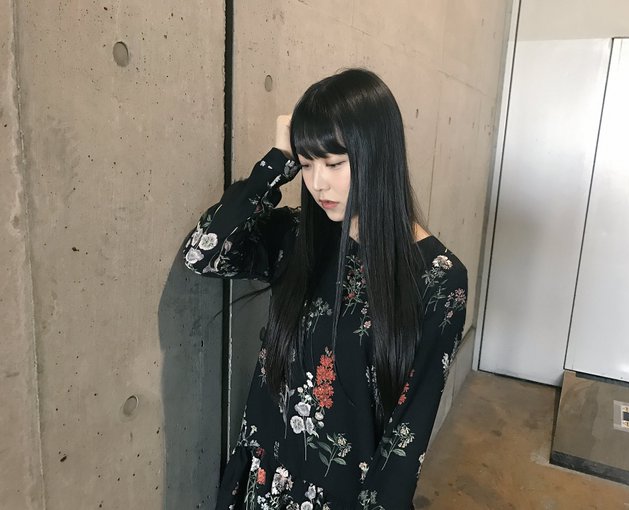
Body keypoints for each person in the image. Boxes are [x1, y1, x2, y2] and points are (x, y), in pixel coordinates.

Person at [182, 68, 467, 510]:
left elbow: (404, 443)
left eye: (334, 164)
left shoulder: (437, 279)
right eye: (307, 164)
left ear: (378, 155)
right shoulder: (300, 237)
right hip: (264, 484)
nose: (317, 183)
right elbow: (203, 253)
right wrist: (278, 161)